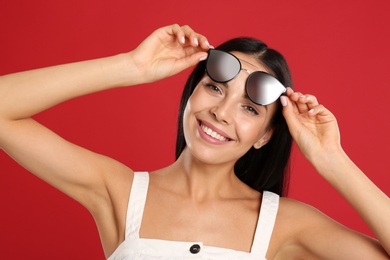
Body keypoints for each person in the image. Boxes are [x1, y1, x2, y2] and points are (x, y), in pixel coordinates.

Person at [0, 24, 389, 259]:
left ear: (265, 137)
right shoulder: (118, 191)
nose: (222, 113)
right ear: (190, 94)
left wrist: (331, 159)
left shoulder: (285, 225)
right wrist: (131, 66)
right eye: (214, 88)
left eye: (250, 109)